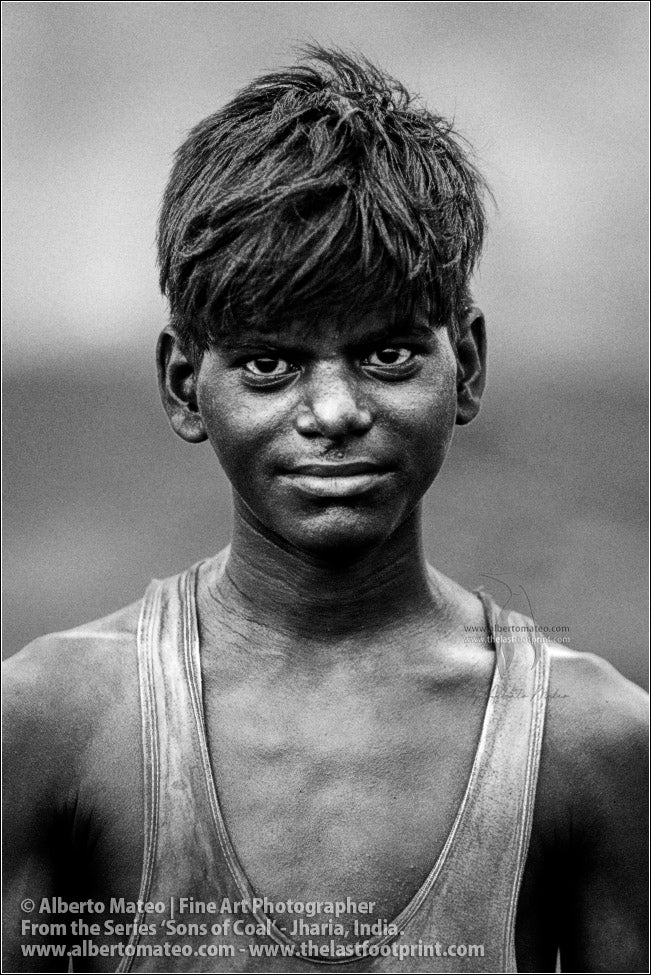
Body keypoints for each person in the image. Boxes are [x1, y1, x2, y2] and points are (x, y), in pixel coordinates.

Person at [3, 47, 647, 974]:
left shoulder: (588, 742)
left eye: (388, 354)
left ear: (464, 362)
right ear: (185, 384)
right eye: (270, 362)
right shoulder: (55, 724)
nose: (336, 411)